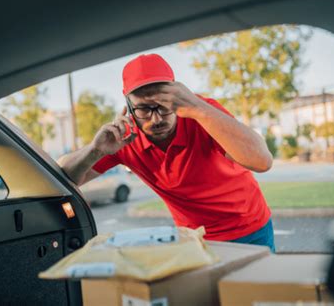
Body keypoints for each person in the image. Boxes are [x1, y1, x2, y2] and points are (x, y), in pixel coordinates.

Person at [58, 54, 275, 252]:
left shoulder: (202, 111)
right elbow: (63, 178)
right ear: (128, 105)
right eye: (144, 108)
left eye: (163, 105)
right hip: (194, 239)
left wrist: (197, 107)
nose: (157, 119)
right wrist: (95, 151)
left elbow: (262, 161)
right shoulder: (123, 137)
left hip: (249, 228)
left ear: (177, 93)